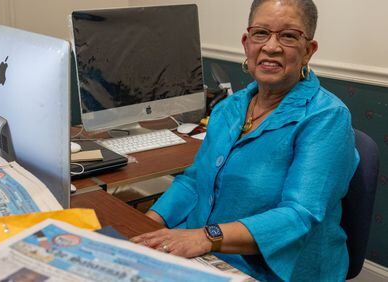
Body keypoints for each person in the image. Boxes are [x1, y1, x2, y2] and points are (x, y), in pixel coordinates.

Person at [131, 0, 359, 281]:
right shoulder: (230, 107)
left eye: (288, 36)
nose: (271, 47)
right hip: (205, 252)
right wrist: (145, 224)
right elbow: (193, 182)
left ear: (308, 51)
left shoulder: (327, 117)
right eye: (261, 33)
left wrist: (205, 237)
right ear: (247, 43)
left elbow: (299, 215)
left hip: (273, 269)